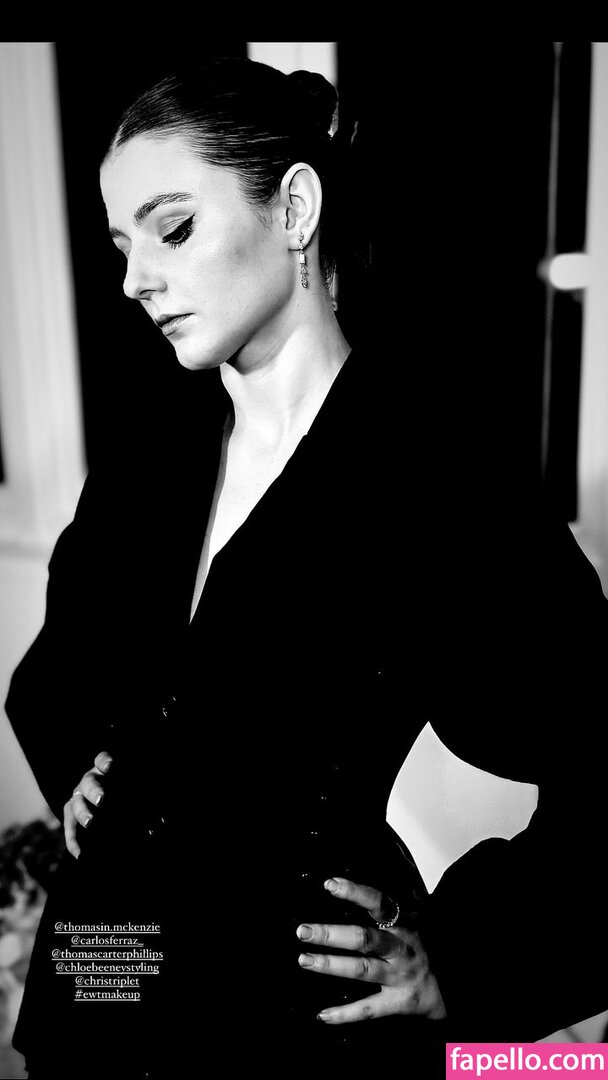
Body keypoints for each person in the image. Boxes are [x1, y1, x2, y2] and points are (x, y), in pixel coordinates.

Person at [5, 54, 608, 1077]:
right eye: (120, 245)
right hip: (105, 958)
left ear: (293, 210)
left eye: (172, 228)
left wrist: (467, 962)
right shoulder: (148, 460)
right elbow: (60, 672)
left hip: (288, 1013)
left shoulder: (436, 484)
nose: (133, 279)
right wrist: (83, 773)